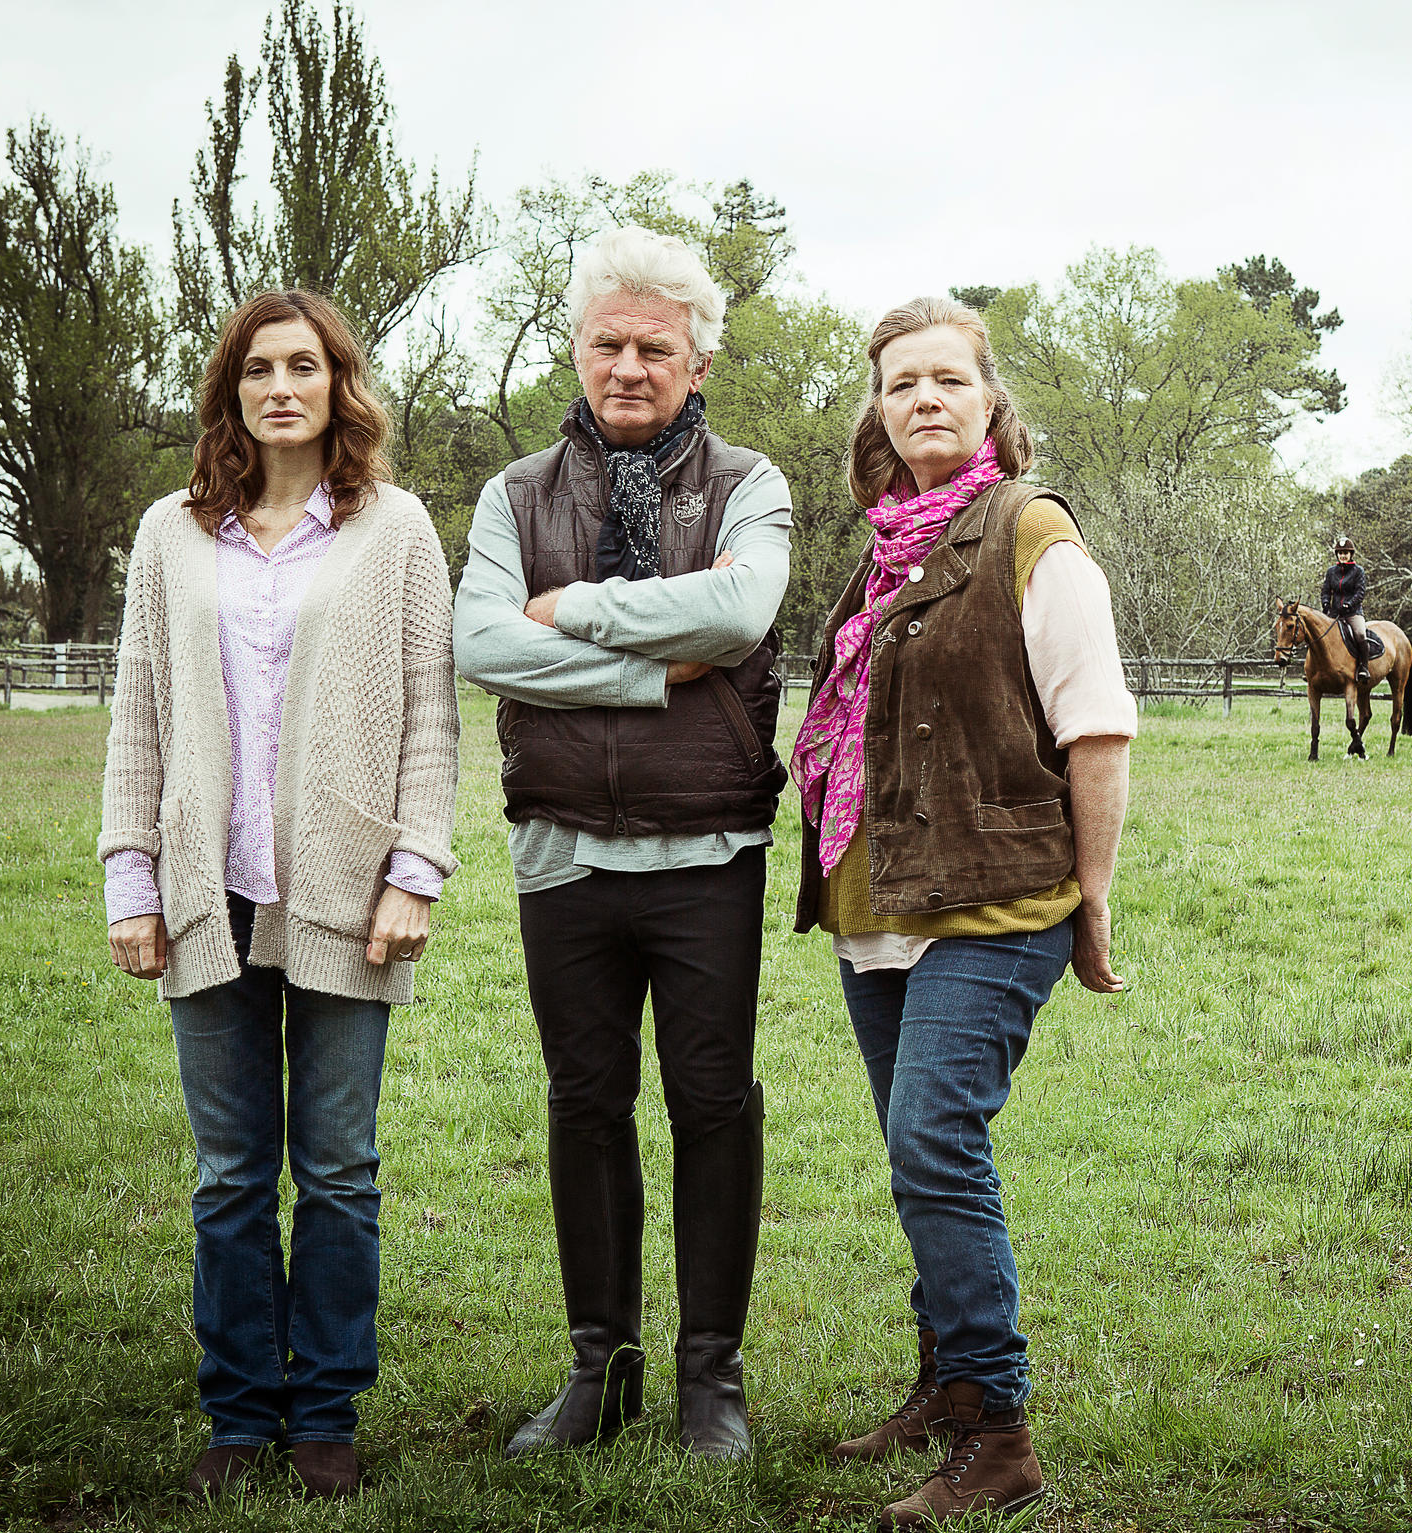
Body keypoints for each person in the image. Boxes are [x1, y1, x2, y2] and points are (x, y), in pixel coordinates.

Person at [99, 289, 460, 1501]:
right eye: (258, 369)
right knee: (230, 1173)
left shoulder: (395, 528)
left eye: (303, 365)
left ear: (338, 384)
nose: (281, 387)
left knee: (343, 1166)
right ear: (232, 393)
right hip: (208, 887)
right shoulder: (170, 534)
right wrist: (130, 883)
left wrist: (415, 870)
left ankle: (326, 1411)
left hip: (352, 891)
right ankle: (239, 1413)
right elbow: (137, 719)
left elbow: (428, 714)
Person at [791, 296, 1136, 1527]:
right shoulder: (886, 546)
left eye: (947, 379)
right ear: (878, 411)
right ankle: (943, 1382)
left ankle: (999, 1430)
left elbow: (1095, 730)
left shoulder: (1032, 536)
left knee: (935, 1136)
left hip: (997, 898)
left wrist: (1092, 900)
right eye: (899, 384)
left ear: (992, 401)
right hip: (878, 897)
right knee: (912, 1150)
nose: (922, 399)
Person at [452, 227, 793, 1462]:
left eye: (658, 346)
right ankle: (602, 1369)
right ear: (576, 351)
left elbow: (740, 609)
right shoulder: (513, 495)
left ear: (698, 362)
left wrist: (576, 614)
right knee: (584, 1106)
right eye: (610, 343)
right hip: (562, 855)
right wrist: (660, 674)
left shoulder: (750, 484)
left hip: (706, 851)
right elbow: (481, 645)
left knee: (711, 1105)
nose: (631, 366)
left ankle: (713, 1382)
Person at [1320, 535, 1376, 662]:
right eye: (1340, 553)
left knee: (1360, 634)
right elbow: (1326, 591)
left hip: (1353, 612)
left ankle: (1364, 666)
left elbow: (1360, 592)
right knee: (1319, 635)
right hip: (1334, 613)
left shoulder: (1358, 571)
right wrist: (1325, 603)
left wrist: (1349, 605)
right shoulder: (1331, 572)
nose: (1342, 556)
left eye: (1345, 553)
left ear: (1351, 554)